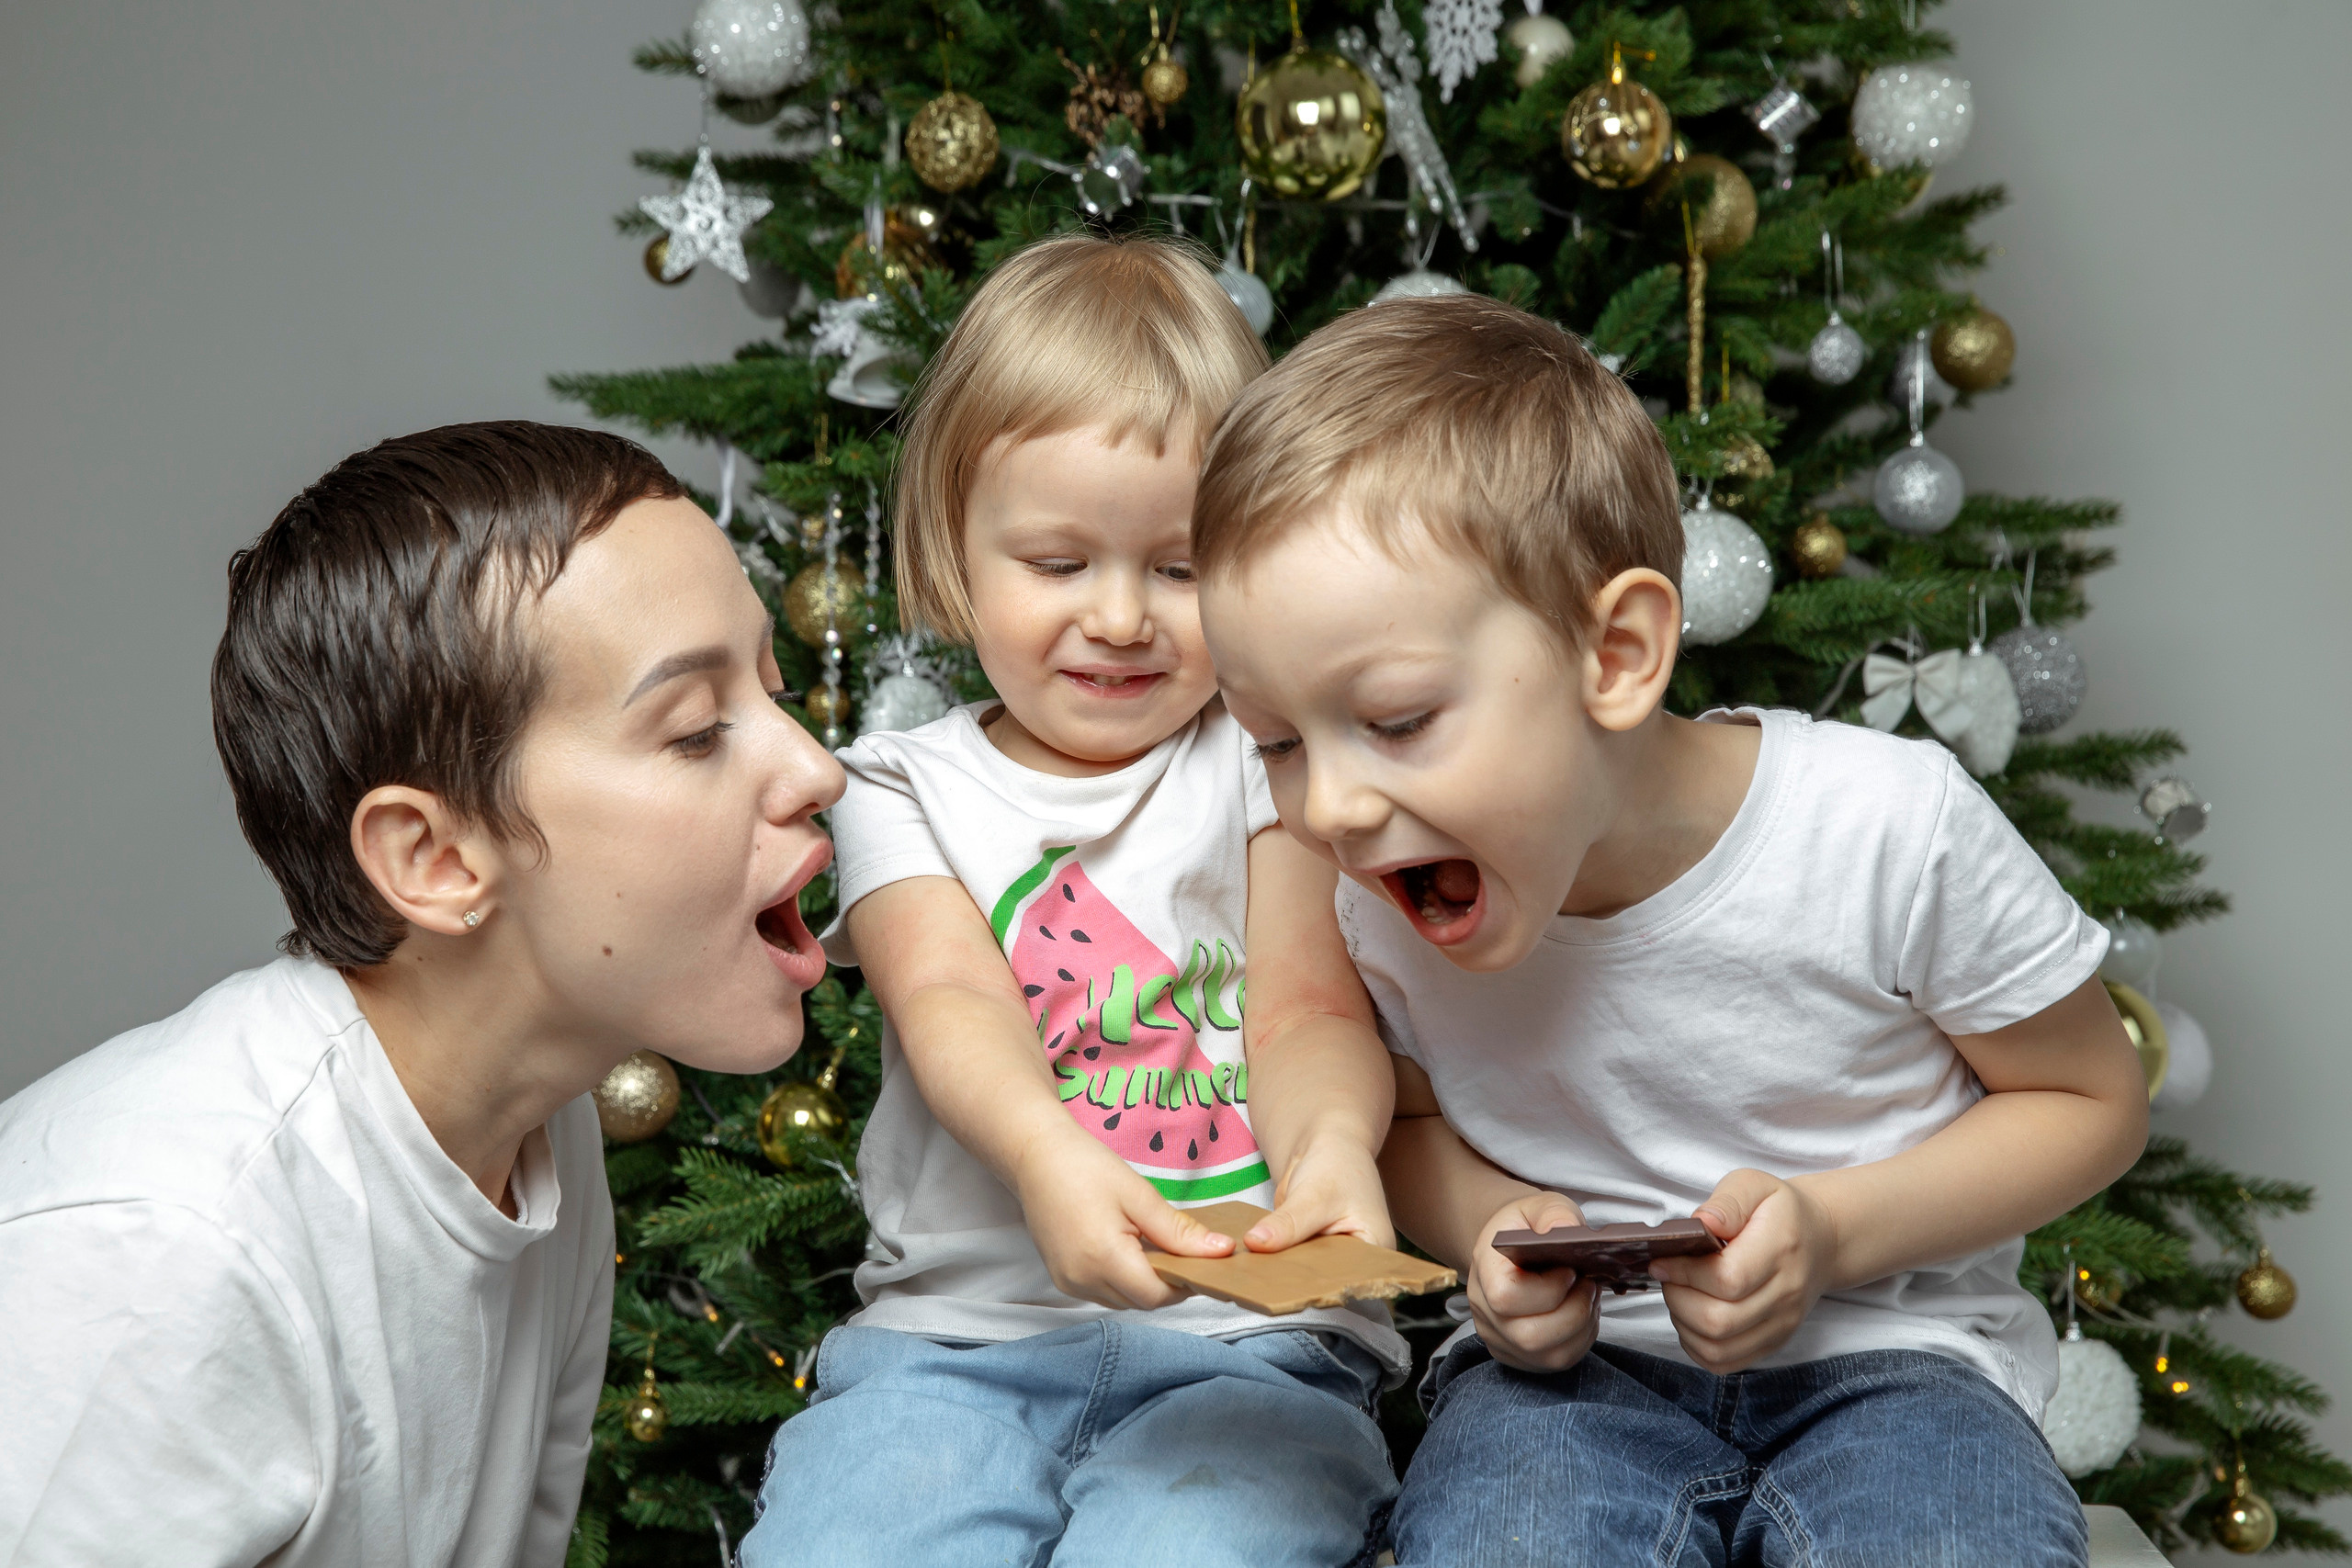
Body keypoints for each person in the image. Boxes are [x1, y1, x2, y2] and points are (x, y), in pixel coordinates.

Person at [1193, 296, 2151, 1567]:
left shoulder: (1885, 827)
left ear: (1619, 652)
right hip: (1562, 1391)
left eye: (1400, 716)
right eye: (1276, 742)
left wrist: (1834, 1233)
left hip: (1906, 1367)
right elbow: (1408, 1122)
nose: (1334, 805)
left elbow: (2092, 1100)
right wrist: (1488, 1226)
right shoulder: (1378, 890)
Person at [0, 423, 843, 1568]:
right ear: (438, 859)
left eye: (776, 689)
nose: (815, 768)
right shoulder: (160, 1257)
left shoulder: (544, 1135)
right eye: (695, 731)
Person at [741, 235, 1406, 1568]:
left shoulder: (1272, 759)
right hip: (953, 1345)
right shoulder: (894, 784)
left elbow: (1303, 1004)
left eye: (1179, 568)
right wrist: (1052, 1158)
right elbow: (949, 997)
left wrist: (1333, 1146)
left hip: (1252, 1351)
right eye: (1057, 562)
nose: (1120, 617)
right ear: (953, 549)